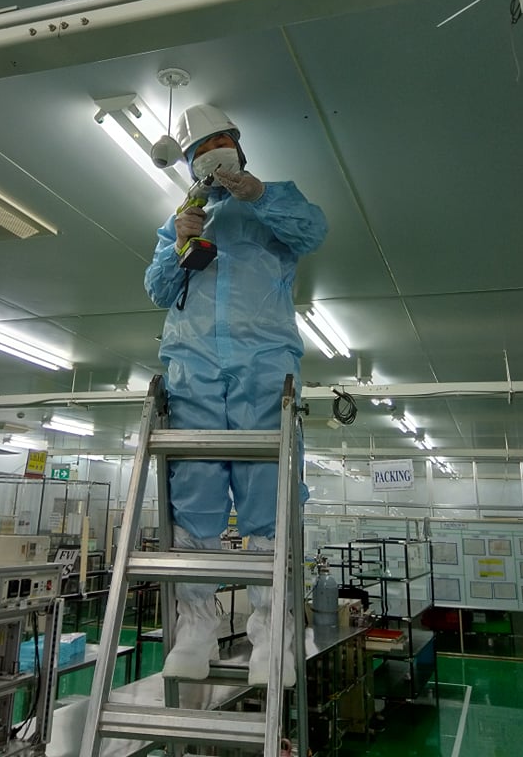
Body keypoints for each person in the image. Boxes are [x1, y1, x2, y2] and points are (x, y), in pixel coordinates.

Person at [144, 103, 328, 685]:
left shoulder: (271, 203)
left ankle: (273, 630)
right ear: (190, 165)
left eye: (218, 143)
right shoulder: (185, 219)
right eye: (199, 151)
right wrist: (178, 240)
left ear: (238, 147)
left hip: (263, 365)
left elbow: (313, 230)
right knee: (193, 492)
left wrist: (260, 194)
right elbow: (157, 290)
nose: (211, 156)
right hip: (193, 367)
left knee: (266, 494)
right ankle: (196, 627)